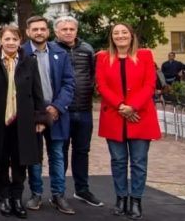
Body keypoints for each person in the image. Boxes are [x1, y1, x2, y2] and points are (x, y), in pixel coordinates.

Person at [0, 25, 47, 219]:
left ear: (20, 41)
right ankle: (5, 197)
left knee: (20, 161)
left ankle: (17, 197)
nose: (10, 43)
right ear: (1, 40)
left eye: (14, 39)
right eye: (7, 39)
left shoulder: (29, 62)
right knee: (0, 159)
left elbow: (37, 91)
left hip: (23, 120)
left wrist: (40, 118)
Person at [95, 23, 161, 220]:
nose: (120, 36)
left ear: (131, 35)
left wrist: (133, 106)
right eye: (116, 33)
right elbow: (101, 85)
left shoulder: (145, 55)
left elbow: (150, 84)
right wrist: (121, 106)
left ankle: (136, 201)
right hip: (114, 115)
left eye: (124, 32)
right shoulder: (103, 57)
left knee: (139, 162)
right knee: (118, 161)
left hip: (140, 116)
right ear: (111, 37)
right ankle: (121, 199)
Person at [23, 16, 76, 215]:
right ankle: (36, 193)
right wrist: (34, 112)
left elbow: (69, 83)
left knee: (57, 155)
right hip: (32, 114)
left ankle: (58, 195)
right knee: (35, 157)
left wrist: (56, 107)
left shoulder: (60, 53)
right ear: (28, 32)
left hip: (56, 114)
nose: (39, 32)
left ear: (48, 31)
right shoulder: (21, 53)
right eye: (35, 29)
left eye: (42, 29)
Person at [53, 16, 103, 207]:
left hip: (84, 109)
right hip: (61, 111)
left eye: (71, 29)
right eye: (64, 29)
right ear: (56, 31)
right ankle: (59, 192)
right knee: (60, 152)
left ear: (76, 30)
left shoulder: (87, 49)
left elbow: (93, 75)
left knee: (82, 151)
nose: (68, 32)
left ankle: (82, 190)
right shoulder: (51, 49)